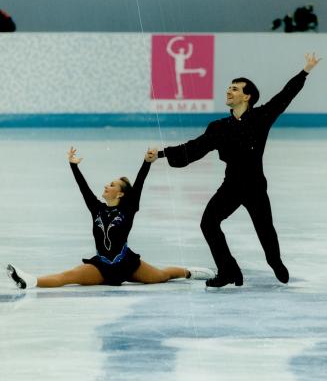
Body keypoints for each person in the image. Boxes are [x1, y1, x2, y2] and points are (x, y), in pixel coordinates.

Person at [151, 53, 320, 288]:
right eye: (228, 88)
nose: (228, 92)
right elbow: (195, 147)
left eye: (235, 89)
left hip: (255, 185)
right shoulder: (219, 127)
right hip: (231, 185)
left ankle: (274, 260)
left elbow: (285, 95)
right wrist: (162, 154)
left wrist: (305, 71)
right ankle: (228, 270)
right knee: (208, 223)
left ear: (247, 96)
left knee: (265, 229)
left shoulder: (262, 117)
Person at [7, 147, 214, 289]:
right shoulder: (96, 208)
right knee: (67, 277)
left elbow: (139, 183)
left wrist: (146, 163)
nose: (107, 186)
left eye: (112, 185)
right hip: (102, 266)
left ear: (121, 194)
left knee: (161, 276)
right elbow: (83, 188)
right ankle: (29, 280)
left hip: (127, 263)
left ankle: (189, 272)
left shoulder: (129, 208)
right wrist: (73, 165)